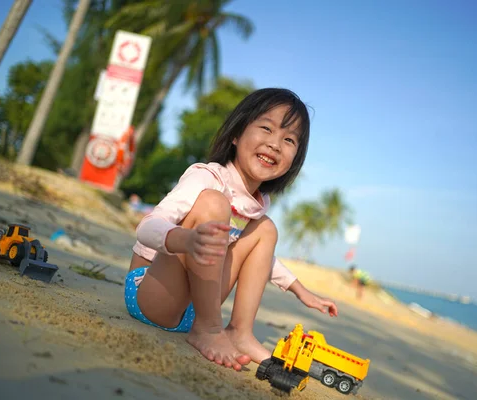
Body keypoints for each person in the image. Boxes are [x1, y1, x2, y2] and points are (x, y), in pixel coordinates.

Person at [125, 88, 338, 372]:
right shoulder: (208, 177)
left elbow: (262, 259)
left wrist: (300, 290)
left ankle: (239, 332)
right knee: (214, 204)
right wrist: (186, 239)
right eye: (266, 128)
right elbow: (147, 226)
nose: (275, 144)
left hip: (196, 308)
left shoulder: (257, 205)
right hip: (152, 295)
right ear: (236, 135)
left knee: (266, 230)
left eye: (289, 140)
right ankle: (210, 328)